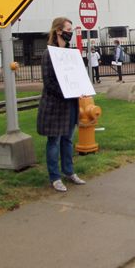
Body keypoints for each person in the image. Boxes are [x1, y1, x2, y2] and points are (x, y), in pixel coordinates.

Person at [37, 17, 87, 192]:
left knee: (68, 139)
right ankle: (55, 177)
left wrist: (81, 88)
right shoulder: (48, 54)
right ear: (58, 31)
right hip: (55, 105)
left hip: (70, 104)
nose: (70, 32)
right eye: (68, 29)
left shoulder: (71, 53)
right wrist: (67, 91)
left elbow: (77, 77)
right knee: (54, 141)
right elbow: (49, 82)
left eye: (71, 29)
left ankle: (69, 171)